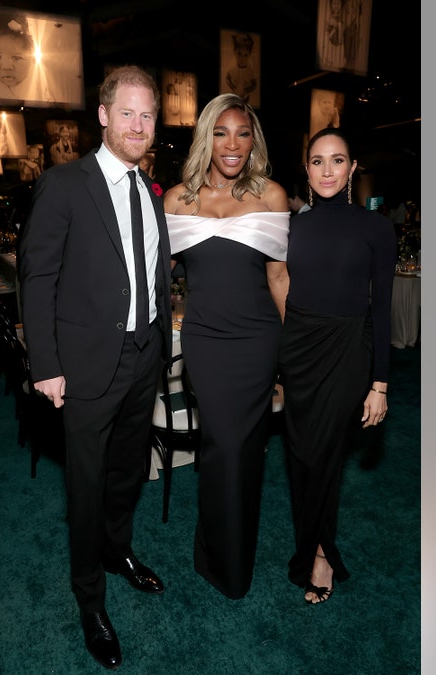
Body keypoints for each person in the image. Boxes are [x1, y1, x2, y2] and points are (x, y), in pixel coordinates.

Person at [19, 65, 171, 670]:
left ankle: (119, 550)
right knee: (84, 486)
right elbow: (39, 276)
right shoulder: (65, 184)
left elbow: (150, 270)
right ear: (103, 115)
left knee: (127, 470)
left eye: (148, 114)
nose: (139, 125)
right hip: (83, 366)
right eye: (128, 113)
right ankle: (91, 599)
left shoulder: (150, 188)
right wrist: (47, 365)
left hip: (144, 358)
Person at [163, 93, 289, 599]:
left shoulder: (272, 196)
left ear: (253, 140)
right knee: (221, 447)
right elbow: (152, 279)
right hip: (207, 343)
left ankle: (228, 561)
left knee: (243, 451)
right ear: (206, 139)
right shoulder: (176, 201)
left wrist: (292, 353)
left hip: (258, 341)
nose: (232, 144)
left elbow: (280, 279)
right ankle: (214, 549)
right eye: (221, 132)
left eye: (242, 132)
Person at [279, 126, 397, 604]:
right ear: (306, 170)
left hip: (348, 351)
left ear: (351, 169)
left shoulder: (377, 228)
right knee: (300, 459)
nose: (327, 169)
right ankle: (312, 543)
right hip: (299, 351)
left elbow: (383, 309)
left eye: (338, 160)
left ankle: (321, 554)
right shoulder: (293, 227)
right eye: (318, 161)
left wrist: (381, 383)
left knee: (325, 456)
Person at [224, 33, 259, 105]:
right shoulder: (232, 67)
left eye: (245, 55)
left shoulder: (250, 70)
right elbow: (227, 78)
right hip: (234, 95)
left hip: (245, 97)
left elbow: (254, 84)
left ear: (249, 55)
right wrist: (233, 87)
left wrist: (246, 91)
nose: (242, 59)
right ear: (235, 52)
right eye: (239, 54)